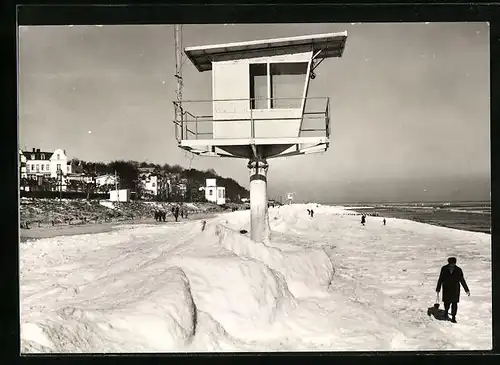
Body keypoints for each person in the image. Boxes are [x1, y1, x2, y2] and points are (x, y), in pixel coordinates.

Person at [436, 257, 470, 323]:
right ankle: (446, 312)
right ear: (448, 263)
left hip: (455, 289)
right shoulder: (444, 268)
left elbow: (462, 280)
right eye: (451, 264)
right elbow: (440, 279)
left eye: (453, 264)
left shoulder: (458, 270)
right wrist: (438, 288)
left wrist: (466, 290)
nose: (452, 265)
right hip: (446, 288)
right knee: (446, 303)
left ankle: (453, 317)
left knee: (454, 303)